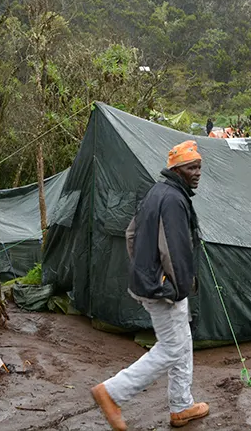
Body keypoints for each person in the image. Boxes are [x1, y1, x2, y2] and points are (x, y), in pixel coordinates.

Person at [91, 140, 209, 430]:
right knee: (171, 348)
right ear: (177, 169)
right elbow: (174, 250)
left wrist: (144, 270)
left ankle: (181, 406)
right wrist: (175, 286)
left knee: (182, 343)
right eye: (191, 167)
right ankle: (112, 392)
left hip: (154, 282)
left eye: (199, 167)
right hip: (164, 290)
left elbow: (130, 233)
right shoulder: (173, 200)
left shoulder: (158, 192)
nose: (197, 173)